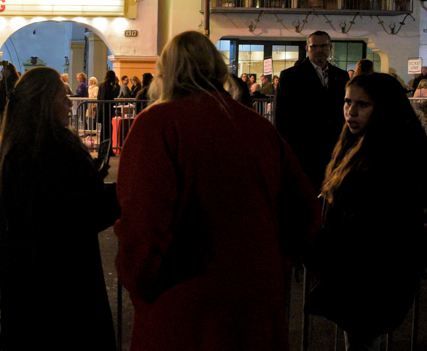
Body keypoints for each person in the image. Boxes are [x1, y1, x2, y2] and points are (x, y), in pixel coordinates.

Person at [114, 31, 320, 351]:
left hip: (183, 303)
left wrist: (138, 281)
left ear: (165, 71)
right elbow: (305, 210)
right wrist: (274, 263)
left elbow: (144, 221)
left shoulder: (157, 124)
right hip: (255, 300)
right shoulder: (257, 126)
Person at [0, 67, 120, 349]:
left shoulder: (18, 149)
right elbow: (87, 214)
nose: (70, 103)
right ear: (45, 103)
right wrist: (120, 192)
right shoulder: (57, 149)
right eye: (63, 96)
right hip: (66, 286)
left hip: (26, 282)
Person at [303, 73, 427, 351]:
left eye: (363, 104)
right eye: (347, 102)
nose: (351, 111)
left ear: (384, 108)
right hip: (364, 275)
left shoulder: (389, 158)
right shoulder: (359, 144)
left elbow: (365, 228)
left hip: (374, 278)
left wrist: (314, 246)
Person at [274, 30, 350, 189]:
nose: (319, 50)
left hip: (334, 147)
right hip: (304, 147)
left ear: (330, 47)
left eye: (323, 46)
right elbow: (281, 116)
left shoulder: (341, 76)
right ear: (307, 48)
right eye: (314, 46)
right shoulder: (291, 76)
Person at [0, 62, 19, 128]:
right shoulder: (2, 81)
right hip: (2, 108)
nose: (2, 71)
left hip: (11, 109)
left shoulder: (15, 81)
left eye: (4, 69)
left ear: (9, 71)